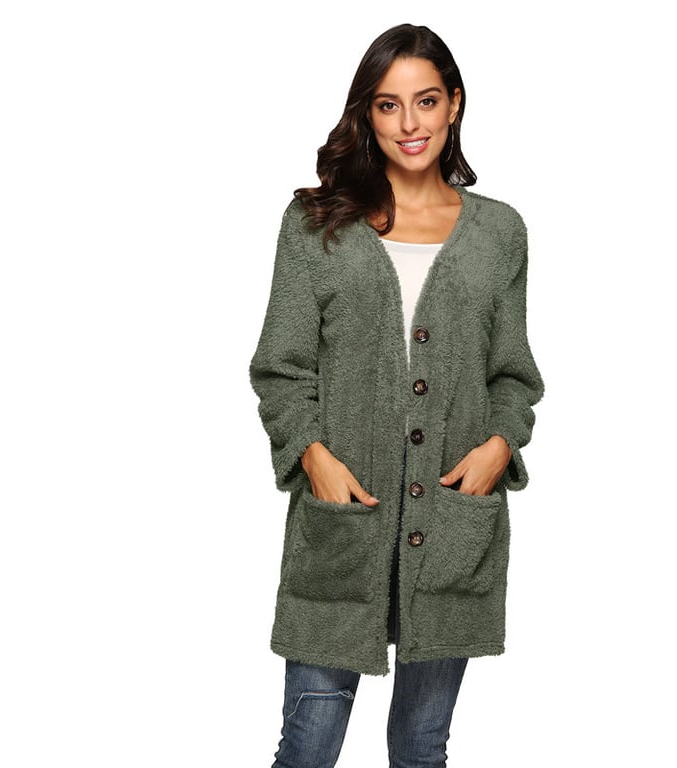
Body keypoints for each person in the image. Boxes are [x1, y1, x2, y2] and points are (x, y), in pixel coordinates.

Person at [249, 23, 544, 767]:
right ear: (367, 114)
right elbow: (281, 368)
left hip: (452, 525)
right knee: (307, 747)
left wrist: (499, 447)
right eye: (388, 105)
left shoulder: (500, 233)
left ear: (454, 104)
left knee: (420, 747)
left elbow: (512, 373)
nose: (409, 123)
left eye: (426, 101)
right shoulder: (316, 224)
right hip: (340, 525)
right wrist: (312, 456)